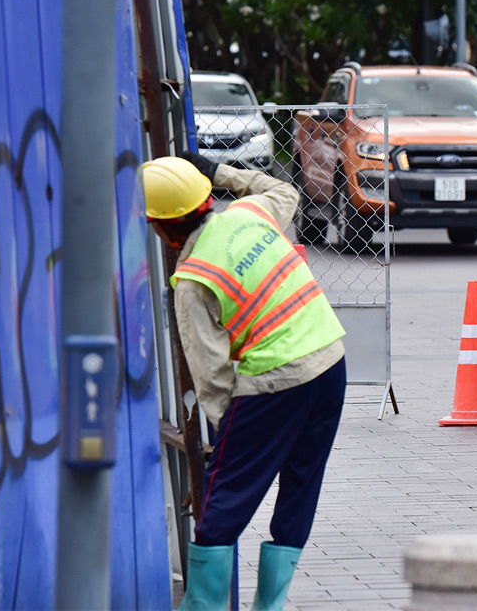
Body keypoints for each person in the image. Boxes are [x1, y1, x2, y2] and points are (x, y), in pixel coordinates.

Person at [142, 152, 347, 610]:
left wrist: (225, 444)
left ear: (158, 227)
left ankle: (204, 607)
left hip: (277, 380)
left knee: (221, 500)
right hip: (331, 360)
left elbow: (212, 381)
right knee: (300, 486)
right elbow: (285, 191)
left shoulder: (192, 280)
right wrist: (222, 171)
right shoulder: (249, 212)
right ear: (205, 198)